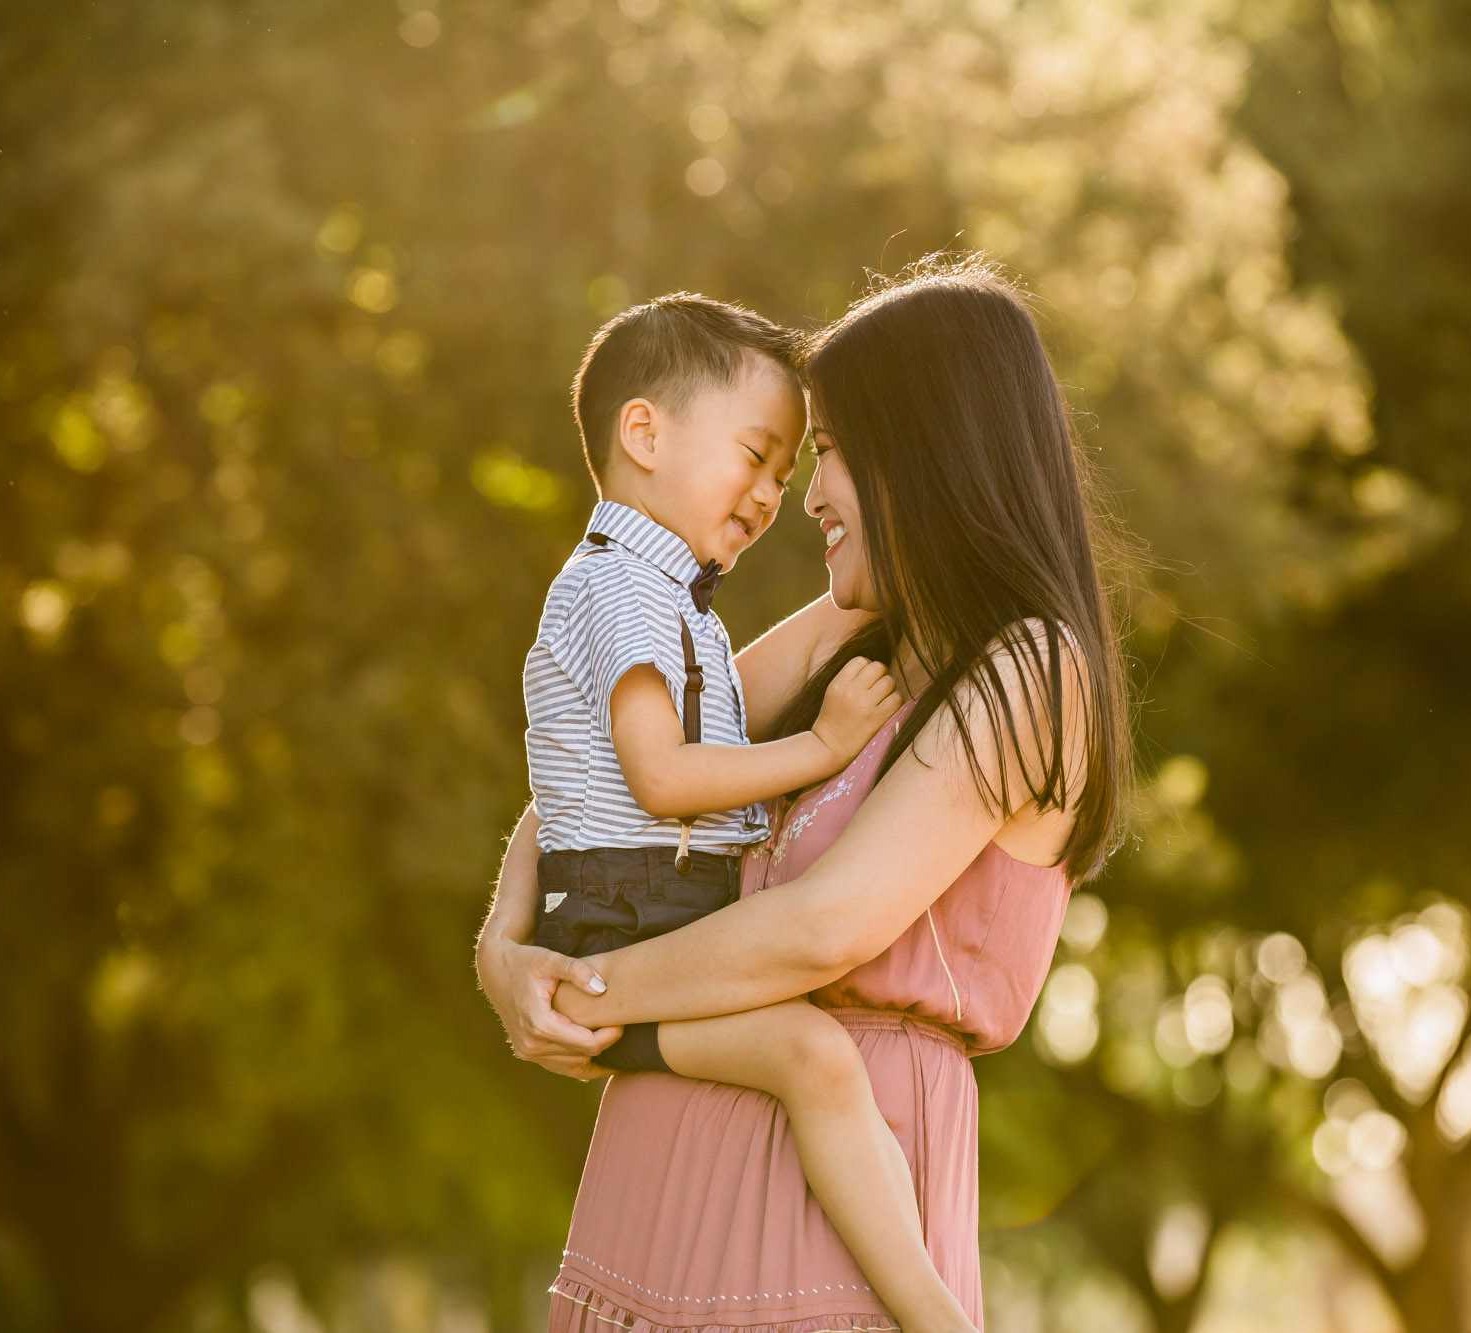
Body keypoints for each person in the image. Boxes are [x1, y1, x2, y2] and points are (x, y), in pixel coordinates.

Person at [478, 255, 1130, 1332]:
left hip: (819, 1232)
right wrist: (507, 954)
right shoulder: (850, 641)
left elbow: (823, 928)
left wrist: (588, 993)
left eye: (826, 454)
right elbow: (592, 781)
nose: (806, 497)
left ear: (925, 456)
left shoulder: (1028, 668)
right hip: (653, 1205)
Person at [520, 292, 979, 1333]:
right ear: (644, 432)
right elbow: (659, 779)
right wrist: (817, 750)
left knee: (810, 1059)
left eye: (791, 467)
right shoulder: (623, 596)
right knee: (812, 1057)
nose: (779, 493)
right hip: (633, 920)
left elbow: (573, 777)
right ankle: (938, 1317)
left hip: (639, 918)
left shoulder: (657, 596)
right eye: (761, 454)